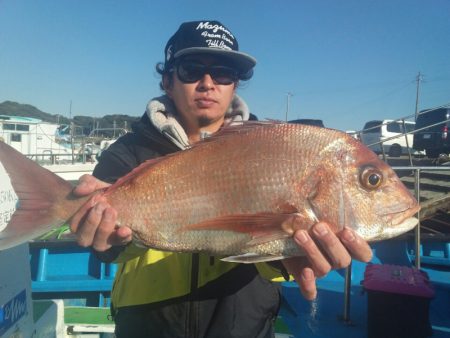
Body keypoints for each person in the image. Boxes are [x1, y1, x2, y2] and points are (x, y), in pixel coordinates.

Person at [70, 20, 372, 338]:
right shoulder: (129, 152)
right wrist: (108, 241)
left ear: (235, 85)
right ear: (168, 80)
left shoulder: (271, 147)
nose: (208, 83)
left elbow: (266, 244)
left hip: (244, 327)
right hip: (148, 327)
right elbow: (105, 246)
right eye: (191, 69)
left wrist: (287, 260)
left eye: (224, 72)